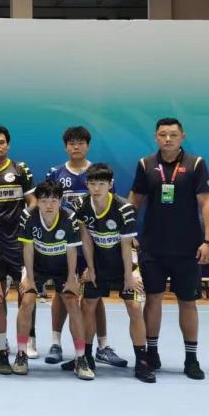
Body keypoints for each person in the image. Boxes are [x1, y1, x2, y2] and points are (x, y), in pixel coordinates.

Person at [128, 118, 209, 380]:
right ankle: (151, 353)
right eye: (163, 134)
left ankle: (191, 359)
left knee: (187, 302)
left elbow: (207, 203)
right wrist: (128, 237)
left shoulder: (196, 164)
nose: (168, 139)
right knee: (152, 299)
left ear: (182, 137)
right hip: (153, 248)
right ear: (155, 137)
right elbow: (133, 203)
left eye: (173, 134)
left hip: (188, 248)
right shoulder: (145, 164)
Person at [44, 126, 125, 368]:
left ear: (88, 146)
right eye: (71, 143)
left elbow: (113, 209)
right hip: (64, 245)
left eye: (80, 142)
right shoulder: (55, 173)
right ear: (65, 147)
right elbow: (47, 207)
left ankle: (102, 347)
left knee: (95, 297)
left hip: (94, 247)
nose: (76, 146)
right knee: (62, 294)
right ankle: (56, 343)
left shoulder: (98, 173)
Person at [75, 163, 155, 383]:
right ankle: (86, 358)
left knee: (134, 306)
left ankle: (142, 361)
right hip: (98, 263)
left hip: (124, 264)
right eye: (92, 183)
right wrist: (90, 268)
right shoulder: (81, 205)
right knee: (87, 305)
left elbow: (127, 245)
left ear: (110, 185)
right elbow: (86, 239)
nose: (97, 188)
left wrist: (129, 276)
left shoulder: (124, 208)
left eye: (101, 184)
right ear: (87, 184)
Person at [16, 180, 92, 379]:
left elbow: (72, 250)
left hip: (63, 267)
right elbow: (28, 248)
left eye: (53, 200)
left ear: (60, 201)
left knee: (72, 302)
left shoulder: (69, 217)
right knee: (27, 301)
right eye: (43, 201)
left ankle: (80, 358)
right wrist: (29, 278)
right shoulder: (28, 216)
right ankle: (21, 354)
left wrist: (71, 279)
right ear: (37, 201)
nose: (48, 205)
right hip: (37, 265)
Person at [0, 125, 37, 357]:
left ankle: (28, 340)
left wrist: (24, 219)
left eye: (1, 142)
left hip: (18, 241)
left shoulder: (20, 170)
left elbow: (33, 201)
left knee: (25, 291)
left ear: (8, 145)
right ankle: (2, 341)